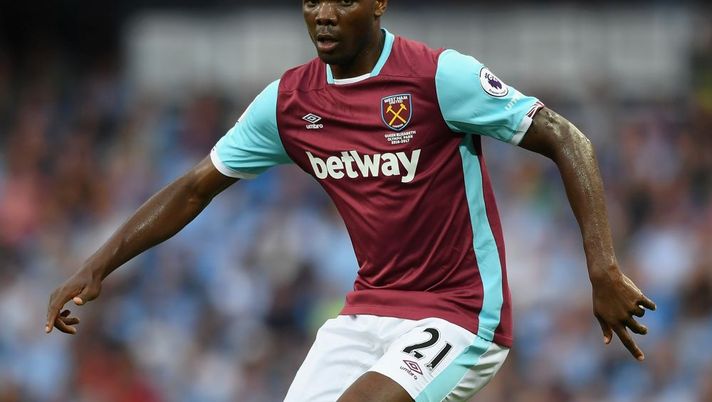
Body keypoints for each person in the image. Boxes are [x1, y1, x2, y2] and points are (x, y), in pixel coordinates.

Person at [45, 1, 657, 401]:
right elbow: (196, 186)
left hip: (460, 313)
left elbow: (565, 137)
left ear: (379, 2)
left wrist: (601, 267)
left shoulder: (439, 77)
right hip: (365, 311)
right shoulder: (289, 103)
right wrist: (94, 265)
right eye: (313, 0)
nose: (324, 14)